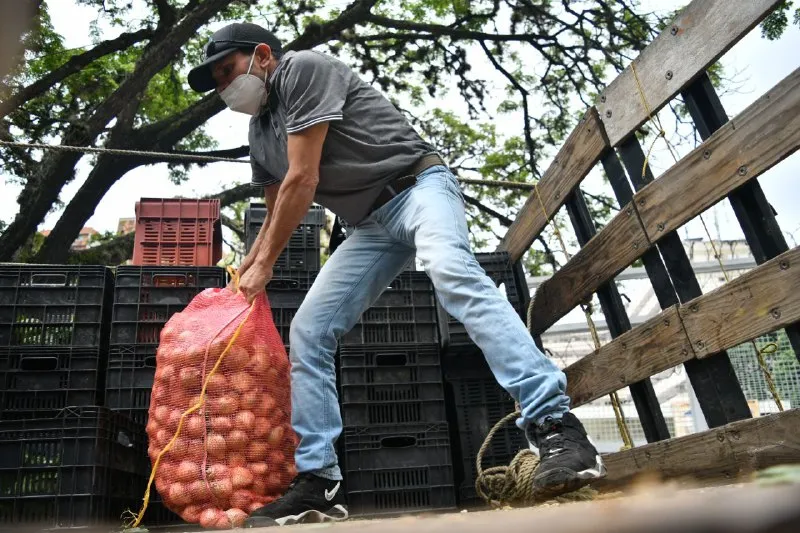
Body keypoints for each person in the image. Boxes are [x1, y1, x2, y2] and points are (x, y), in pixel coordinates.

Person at [187, 21, 606, 528]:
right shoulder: (260, 132)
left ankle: (555, 424)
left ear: (261, 55)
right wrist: (249, 269)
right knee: (310, 331)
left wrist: (268, 266)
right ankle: (319, 481)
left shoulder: (302, 69)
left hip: (418, 188)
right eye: (216, 82)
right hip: (370, 225)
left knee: (450, 270)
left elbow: (303, 180)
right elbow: (276, 208)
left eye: (228, 71)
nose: (226, 87)